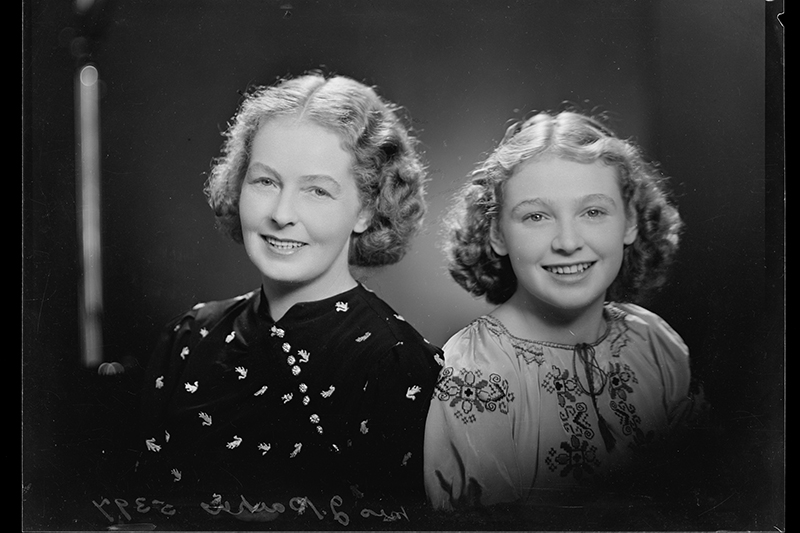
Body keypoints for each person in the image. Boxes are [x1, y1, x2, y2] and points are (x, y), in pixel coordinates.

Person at [135, 73, 442, 521]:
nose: (281, 214)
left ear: (366, 209)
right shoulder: (190, 337)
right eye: (265, 182)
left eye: (317, 190)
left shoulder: (397, 364)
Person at [424, 110, 705, 511]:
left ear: (629, 222)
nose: (568, 242)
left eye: (593, 212)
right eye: (536, 216)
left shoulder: (655, 342)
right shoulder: (477, 371)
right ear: (497, 233)